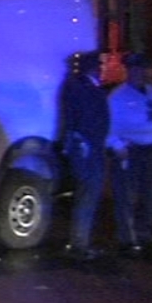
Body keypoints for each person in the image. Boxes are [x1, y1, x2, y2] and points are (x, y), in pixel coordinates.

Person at [106, 52, 152, 255]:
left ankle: (144, 234)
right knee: (126, 196)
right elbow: (109, 126)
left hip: (151, 149)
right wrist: (117, 146)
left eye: (144, 69)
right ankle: (127, 238)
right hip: (129, 150)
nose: (141, 73)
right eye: (136, 69)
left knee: (149, 195)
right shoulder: (118, 96)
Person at [60, 50, 110, 260]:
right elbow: (86, 122)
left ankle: (80, 241)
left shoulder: (76, 86)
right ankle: (80, 243)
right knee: (88, 195)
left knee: (85, 196)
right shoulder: (84, 88)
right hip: (89, 150)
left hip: (87, 148)